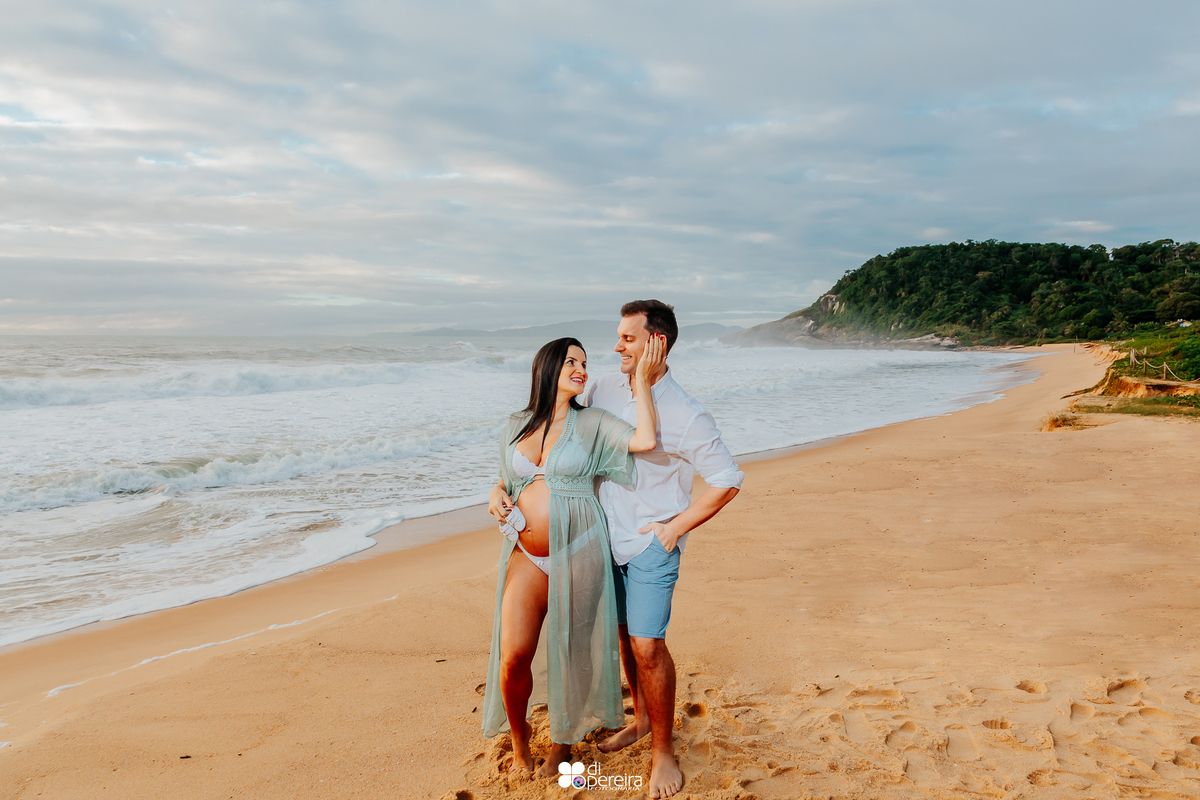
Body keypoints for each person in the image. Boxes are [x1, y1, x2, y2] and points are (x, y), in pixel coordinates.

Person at [481, 335, 665, 778]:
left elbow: (644, 440)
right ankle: (520, 741)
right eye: (571, 363)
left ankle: (561, 748)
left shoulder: (594, 422)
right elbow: (506, 480)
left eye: (584, 363)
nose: (581, 369)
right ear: (547, 369)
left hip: (579, 551)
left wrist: (642, 381)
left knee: (571, 653)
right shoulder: (515, 425)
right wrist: (494, 493)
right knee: (513, 656)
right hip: (527, 553)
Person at [583, 300, 743, 800]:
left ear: (658, 344)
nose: (616, 347)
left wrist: (675, 529)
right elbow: (563, 435)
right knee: (626, 637)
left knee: (649, 646)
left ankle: (663, 752)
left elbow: (726, 481)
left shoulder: (688, 414)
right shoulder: (604, 388)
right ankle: (642, 722)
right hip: (603, 535)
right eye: (618, 337)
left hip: (652, 543)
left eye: (627, 339)